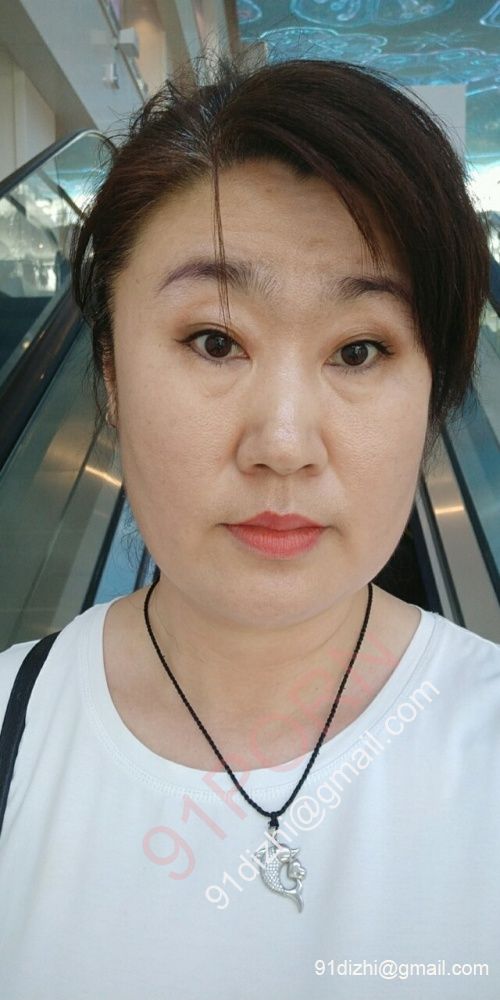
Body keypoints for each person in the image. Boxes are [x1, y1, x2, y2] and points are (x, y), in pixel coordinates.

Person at [0, 50, 499, 999]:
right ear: (109, 371)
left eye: (360, 350)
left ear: (434, 393)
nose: (283, 444)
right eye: (215, 339)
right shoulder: (13, 731)